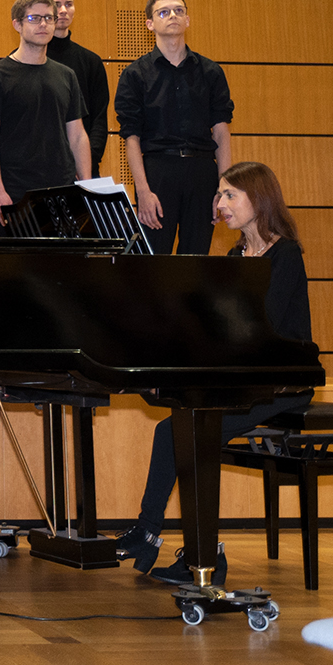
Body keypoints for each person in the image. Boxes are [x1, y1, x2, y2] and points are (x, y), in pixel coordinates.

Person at [116, 161, 313, 585]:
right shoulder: (233, 257)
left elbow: (264, 327)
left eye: (229, 195)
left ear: (257, 199)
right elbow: (219, 331)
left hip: (282, 383)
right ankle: (167, 540)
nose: (219, 203)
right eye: (219, 194)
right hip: (239, 378)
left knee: (186, 432)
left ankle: (198, 553)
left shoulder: (285, 255)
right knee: (174, 429)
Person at [115, 0, 234, 255]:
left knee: (196, 257)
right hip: (158, 171)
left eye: (179, 11)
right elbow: (131, 136)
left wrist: (224, 188)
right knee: (154, 260)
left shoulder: (211, 71)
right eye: (164, 12)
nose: (173, 16)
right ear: (150, 23)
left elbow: (222, 133)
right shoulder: (135, 75)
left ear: (188, 20)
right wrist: (143, 192)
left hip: (202, 171)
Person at [0, 0, 92, 227]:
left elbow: (77, 135)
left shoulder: (66, 75)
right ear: (17, 24)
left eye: (49, 18)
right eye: (33, 18)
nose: (43, 24)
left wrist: (87, 187)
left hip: (62, 191)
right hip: (16, 193)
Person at [43, 0, 110, 177]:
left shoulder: (91, 61)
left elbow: (99, 119)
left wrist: (88, 159)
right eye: (56, 4)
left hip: (83, 166)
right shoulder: (23, 60)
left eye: (68, 4)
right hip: (38, 168)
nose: (63, 10)